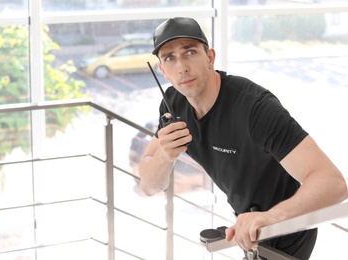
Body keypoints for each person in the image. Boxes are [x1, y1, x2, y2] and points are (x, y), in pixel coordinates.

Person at [138, 17, 348, 259]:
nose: (181, 67)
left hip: (287, 227)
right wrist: (166, 156)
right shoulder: (173, 103)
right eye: (169, 58)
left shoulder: (255, 108)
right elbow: (149, 184)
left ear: (210, 57)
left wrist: (270, 217)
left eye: (190, 52)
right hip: (246, 227)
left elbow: (333, 183)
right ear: (162, 70)